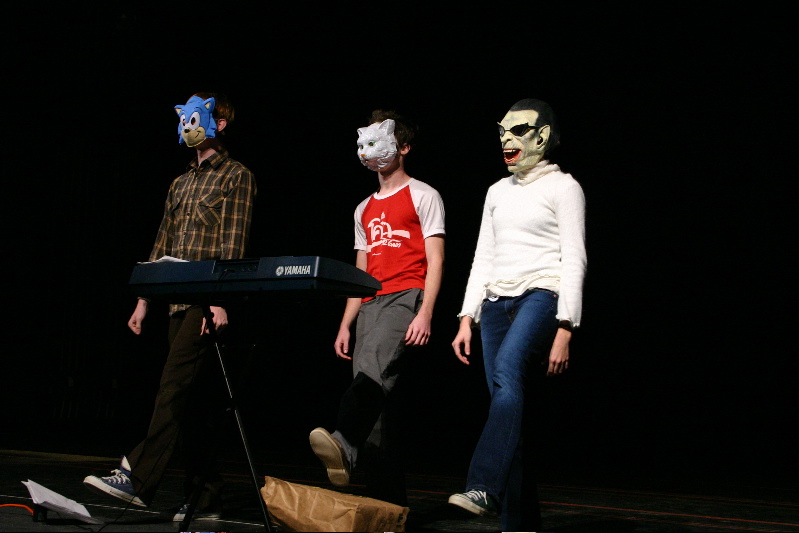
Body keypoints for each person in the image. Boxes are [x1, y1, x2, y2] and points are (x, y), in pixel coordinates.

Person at [82, 92, 257, 522]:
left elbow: (234, 244)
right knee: (192, 403)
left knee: (173, 387)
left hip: (205, 300)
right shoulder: (179, 183)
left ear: (219, 123)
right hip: (175, 302)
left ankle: (138, 479)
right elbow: (163, 242)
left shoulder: (236, 176)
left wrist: (220, 300)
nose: (187, 127)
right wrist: (144, 299)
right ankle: (206, 498)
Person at [448, 98, 586, 531]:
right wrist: (466, 316)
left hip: (541, 295)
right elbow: (483, 256)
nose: (506, 138)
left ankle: (483, 486)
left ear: (542, 137)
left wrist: (566, 326)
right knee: (507, 411)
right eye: (502, 131)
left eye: (518, 130)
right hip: (493, 305)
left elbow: (575, 258)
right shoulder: (496, 192)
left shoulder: (564, 187)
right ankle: (520, 525)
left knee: (508, 373)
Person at [308, 109, 445, 506]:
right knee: (376, 402)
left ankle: (343, 441)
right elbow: (361, 270)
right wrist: (345, 323)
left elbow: (436, 259)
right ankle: (387, 505)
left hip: (405, 295)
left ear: (403, 148)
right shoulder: (363, 208)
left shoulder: (424, 195)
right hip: (370, 303)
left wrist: (426, 312)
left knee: (371, 376)